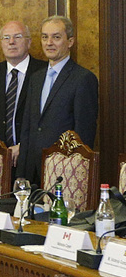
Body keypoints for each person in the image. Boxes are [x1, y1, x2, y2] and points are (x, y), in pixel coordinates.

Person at [17, 15, 99, 183]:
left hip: (65, 171)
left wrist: (76, 173)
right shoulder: (35, 78)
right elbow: (27, 128)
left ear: (70, 41)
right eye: (44, 37)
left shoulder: (83, 78)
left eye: (56, 37)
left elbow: (84, 133)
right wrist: (22, 174)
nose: (49, 43)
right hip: (33, 169)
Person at [0, 20, 46, 169]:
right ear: (1, 43)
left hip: (33, 159)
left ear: (29, 42)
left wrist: (24, 146)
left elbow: (48, 120)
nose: (11, 42)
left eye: (17, 37)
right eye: (6, 38)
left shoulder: (44, 73)